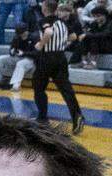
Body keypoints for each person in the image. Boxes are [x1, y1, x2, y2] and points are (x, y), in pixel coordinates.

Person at [33, 0, 84, 134]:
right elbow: (73, 37)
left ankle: (42, 118)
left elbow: (48, 32)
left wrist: (40, 44)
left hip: (47, 57)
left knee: (38, 88)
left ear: (45, 8)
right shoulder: (63, 22)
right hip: (61, 57)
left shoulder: (44, 20)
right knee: (66, 89)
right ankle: (77, 116)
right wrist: (61, 43)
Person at [0, 23, 37, 89]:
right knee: (0, 59)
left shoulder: (34, 38)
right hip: (17, 57)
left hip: (30, 59)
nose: (20, 35)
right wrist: (11, 52)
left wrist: (24, 53)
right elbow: (12, 48)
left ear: (26, 31)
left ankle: (14, 85)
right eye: (19, 33)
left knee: (20, 63)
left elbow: (36, 53)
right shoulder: (16, 37)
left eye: (21, 33)